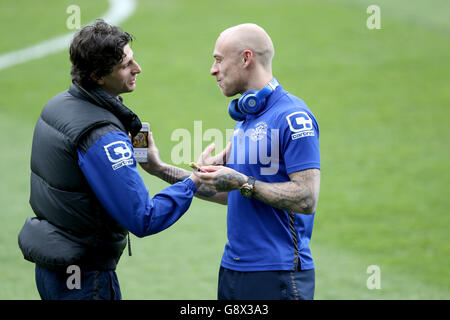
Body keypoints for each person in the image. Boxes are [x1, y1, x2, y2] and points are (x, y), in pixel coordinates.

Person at [18, 19, 201, 300]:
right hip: (84, 279)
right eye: (126, 64)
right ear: (98, 76)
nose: (137, 68)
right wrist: (193, 182)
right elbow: (143, 218)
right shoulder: (103, 137)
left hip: (53, 268)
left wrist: (155, 167)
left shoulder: (58, 105)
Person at [142, 23, 321, 300]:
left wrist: (243, 182)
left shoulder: (293, 118)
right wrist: (159, 169)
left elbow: (306, 199)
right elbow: (227, 192)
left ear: (246, 58)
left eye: (218, 60)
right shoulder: (247, 120)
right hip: (233, 270)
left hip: (277, 274)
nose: (213, 70)